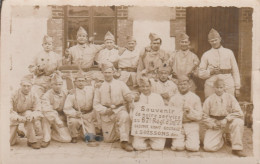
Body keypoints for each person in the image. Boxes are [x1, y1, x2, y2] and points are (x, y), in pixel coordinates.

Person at [93, 62, 134, 152]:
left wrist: (129, 97)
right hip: (107, 113)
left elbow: (128, 94)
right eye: (105, 72)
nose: (107, 75)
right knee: (109, 140)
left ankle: (124, 141)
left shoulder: (120, 83)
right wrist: (105, 110)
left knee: (124, 116)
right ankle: (117, 132)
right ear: (102, 73)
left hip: (119, 109)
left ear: (113, 72)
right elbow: (96, 104)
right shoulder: (99, 86)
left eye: (109, 72)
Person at [202, 78, 246, 157]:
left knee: (238, 122)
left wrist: (226, 119)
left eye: (221, 87)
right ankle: (221, 139)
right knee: (208, 147)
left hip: (227, 123)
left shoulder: (230, 98)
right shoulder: (209, 99)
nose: (219, 90)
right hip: (216, 124)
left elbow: (239, 112)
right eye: (217, 87)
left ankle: (237, 148)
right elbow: (204, 116)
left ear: (224, 87)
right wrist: (212, 124)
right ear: (213, 88)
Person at [198, 28, 240, 98]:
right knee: (211, 105)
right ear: (209, 41)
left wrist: (237, 87)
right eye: (212, 41)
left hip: (227, 84)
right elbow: (200, 73)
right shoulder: (206, 54)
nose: (214, 42)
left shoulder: (229, 52)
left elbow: (235, 70)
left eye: (215, 40)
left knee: (228, 105)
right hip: (211, 84)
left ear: (220, 39)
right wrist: (211, 72)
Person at [63, 70, 98, 146]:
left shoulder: (91, 90)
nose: (81, 83)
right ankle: (74, 136)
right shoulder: (72, 93)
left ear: (85, 82)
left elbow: (98, 92)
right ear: (75, 82)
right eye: (78, 81)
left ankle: (83, 132)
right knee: (73, 122)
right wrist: (75, 113)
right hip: (77, 116)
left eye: (82, 81)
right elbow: (67, 108)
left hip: (88, 115)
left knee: (91, 138)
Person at [169, 75, 202, 152]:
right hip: (178, 125)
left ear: (189, 85)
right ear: (177, 86)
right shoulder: (173, 98)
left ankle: (191, 140)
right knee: (177, 147)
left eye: (185, 84)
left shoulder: (195, 97)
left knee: (192, 148)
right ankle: (180, 141)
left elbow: (199, 116)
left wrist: (190, 111)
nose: (182, 86)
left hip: (191, 124)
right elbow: (169, 115)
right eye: (180, 84)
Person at [132, 76, 166, 151]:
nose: (145, 88)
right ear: (139, 87)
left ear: (150, 86)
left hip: (155, 128)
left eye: (147, 86)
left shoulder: (157, 97)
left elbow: (163, 113)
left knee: (159, 147)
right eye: (142, 86)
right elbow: (132, 116)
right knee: (137, 146)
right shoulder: (137, 98)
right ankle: (145, 140)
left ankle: (151, 140)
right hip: (141, 128)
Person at [10, 75, 43, 149]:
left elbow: (38, 109)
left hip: (26, 113)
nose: (26, 88)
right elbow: (8, 111)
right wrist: (18, 118)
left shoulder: (34, 95)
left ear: (31, 86)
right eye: (24, 86)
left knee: (29, 116)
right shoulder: (13, 94)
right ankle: (17, 131)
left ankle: (32, 140)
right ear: (20, 85)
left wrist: (33, 116)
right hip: (14, 114)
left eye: (28, 86)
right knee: (10, 142)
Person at [41, 71, 72, 147]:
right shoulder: (47, 95)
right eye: (55, 84)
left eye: (60, 84)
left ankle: (53, 133)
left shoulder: (65, 92)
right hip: (51, 116)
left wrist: (72, 93)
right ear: (51, 85)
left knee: (67, 139)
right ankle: (46, 138)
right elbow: (47, 109)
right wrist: (57, 120)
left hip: (62, 117)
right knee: (45, 117)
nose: (58, 86)